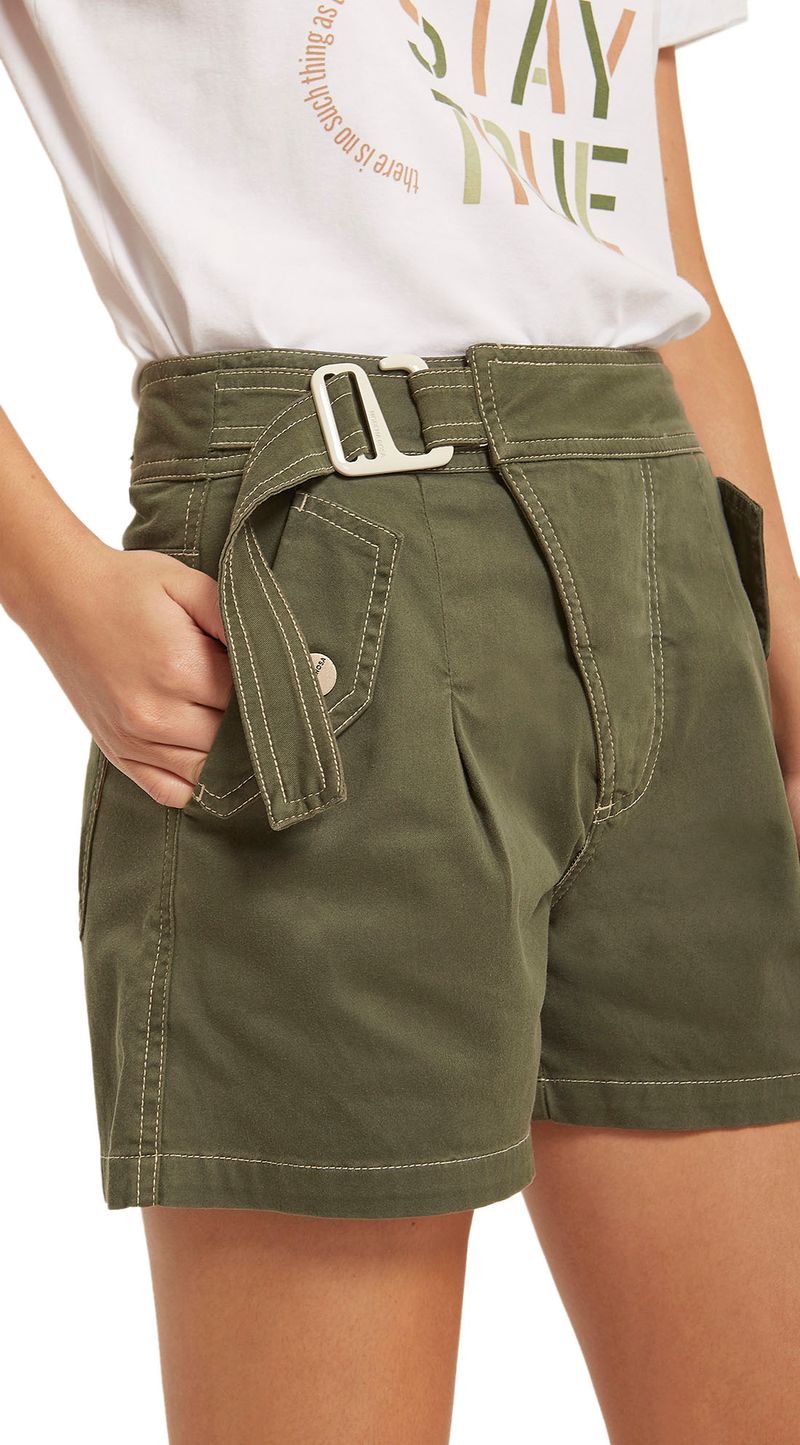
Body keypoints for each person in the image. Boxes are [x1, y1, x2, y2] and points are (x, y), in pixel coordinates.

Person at [1, 3, 798, 1442]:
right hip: (320, 559)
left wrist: (780, 655)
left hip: (666, 547)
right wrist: (51, 585)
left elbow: (654, 253)